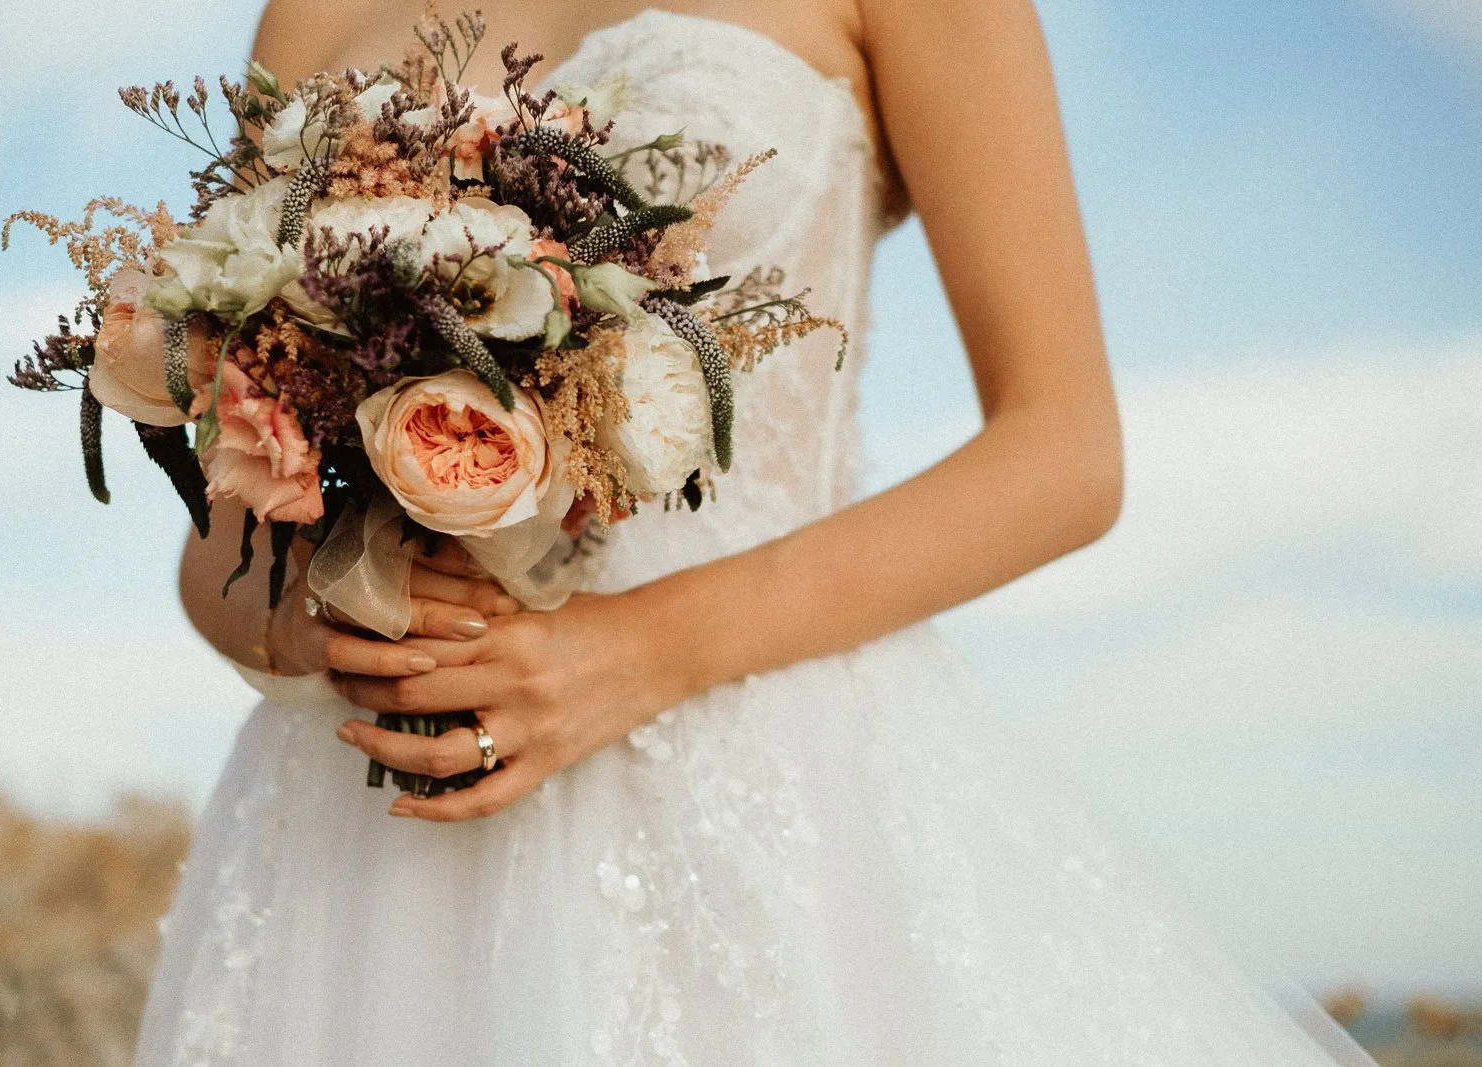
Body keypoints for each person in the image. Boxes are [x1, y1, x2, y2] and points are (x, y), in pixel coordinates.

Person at [138, 2, 1379, 1063]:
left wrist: (635, 650)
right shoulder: (306, 10)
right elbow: (220, 535)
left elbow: (1063, 452)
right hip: (359, 821)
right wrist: (319, 624)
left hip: (755, 760)